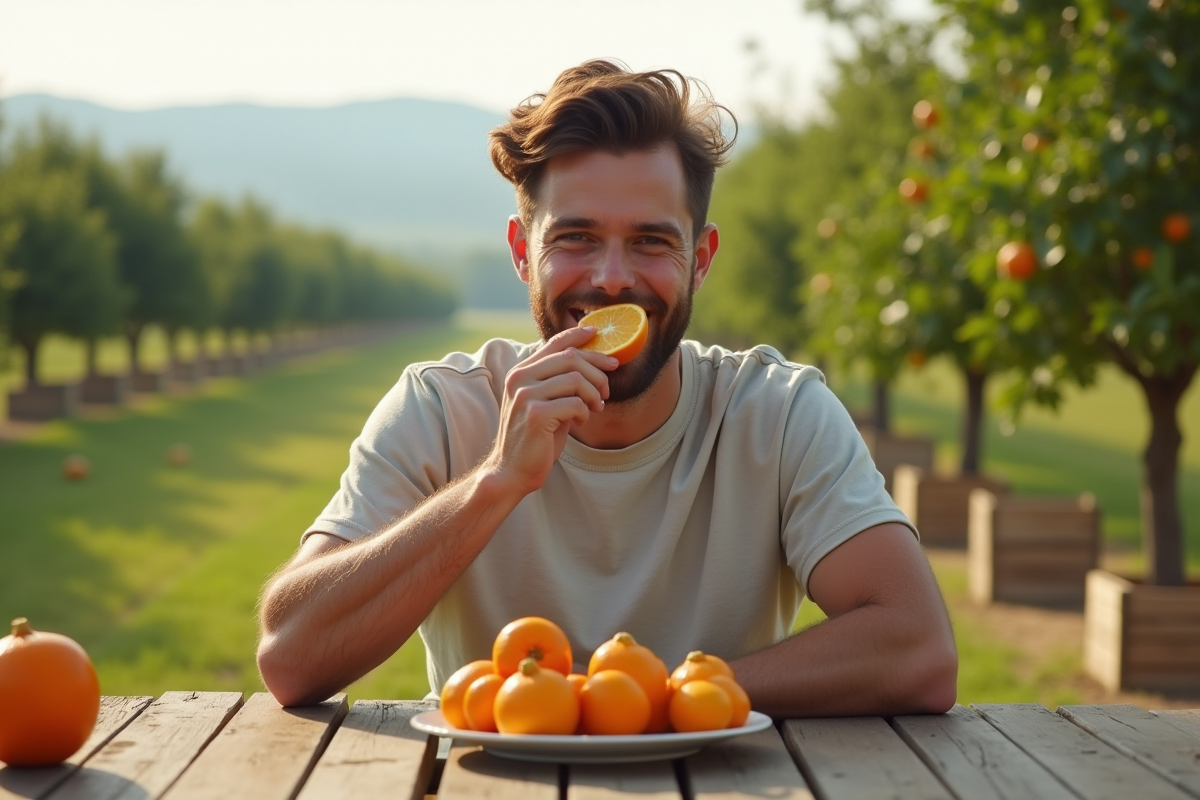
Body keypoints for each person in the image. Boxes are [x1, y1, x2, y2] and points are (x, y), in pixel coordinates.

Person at [257, 59, 957, 717]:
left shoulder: (777, 413)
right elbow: (291, 657)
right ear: (522, 252)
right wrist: (495, 482)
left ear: (700, 259)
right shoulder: (442, 409)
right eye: (576, 238)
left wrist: (651, 704)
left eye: (651, 241)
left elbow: (919, 651)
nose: (613, 279)